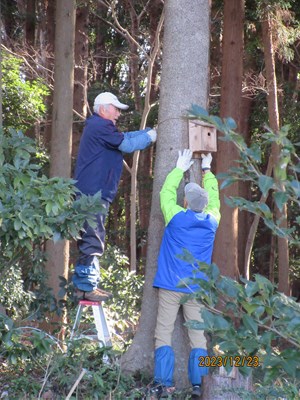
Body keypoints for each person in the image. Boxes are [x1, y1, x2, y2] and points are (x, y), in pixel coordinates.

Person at [72, 92, 157, 302]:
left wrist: (148, 132)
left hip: (93, 192)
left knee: (93, 236)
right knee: (93, 237)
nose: (118, 114)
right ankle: (85, 287)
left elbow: (124, 138)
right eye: (116, 109)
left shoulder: (100, 127)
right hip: (92, 194)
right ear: (103, 109)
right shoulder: (100, 125)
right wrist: (150, 137)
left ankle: (88, 284)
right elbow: (126, 145)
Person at [150, 149, 220, 399]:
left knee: (163, 334)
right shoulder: (212, 221)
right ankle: (198, 386)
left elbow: (166, 194)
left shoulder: (176, 218)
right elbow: (215, 201)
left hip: (170, 286)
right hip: (196, 289)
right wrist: (207, 171)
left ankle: (162, 383)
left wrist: (179, 169)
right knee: (198, 339)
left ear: (187, 202)